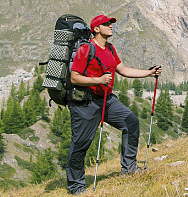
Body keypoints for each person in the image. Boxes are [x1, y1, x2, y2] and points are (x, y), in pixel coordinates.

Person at [66, 14, 161, 194]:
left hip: (107, 100)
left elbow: (123, 70)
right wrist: (98, 79)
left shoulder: (110, 48)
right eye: (106, 24)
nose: (111, 26)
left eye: (111, 23)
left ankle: (129, 168)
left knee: (131, 122)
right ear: (96, 29)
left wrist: (149, 73)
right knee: (80, 143)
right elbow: (74, 77)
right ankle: (76, 186)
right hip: (86, 102)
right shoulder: (86, 49)